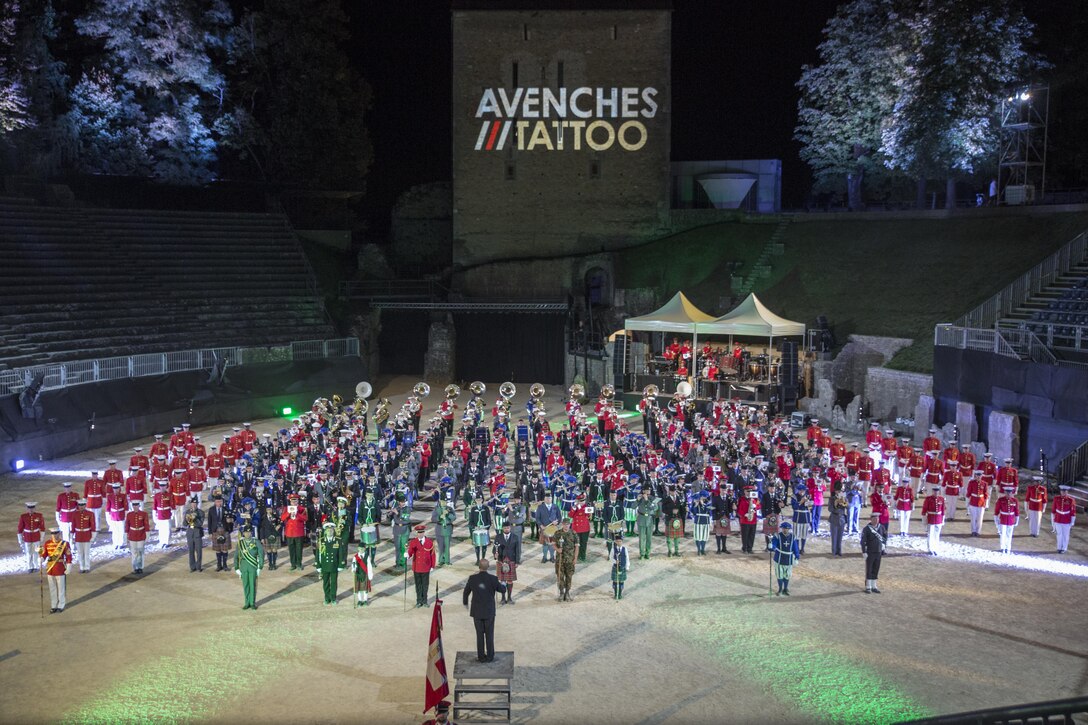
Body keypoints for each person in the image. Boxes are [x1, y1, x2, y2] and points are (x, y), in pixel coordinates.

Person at [463, 559, 506, 662]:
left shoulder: (472, 578)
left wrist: (465, 603)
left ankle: (481, 657)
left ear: (479, 566)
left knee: (479, 635)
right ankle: (490, 656)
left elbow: (466, 592)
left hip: (477, 611)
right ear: (488, 567)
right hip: (489, 611)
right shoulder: (493, 579)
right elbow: (502, 590)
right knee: (489, 635)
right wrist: (504, 582)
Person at [39, 528, 72, 613]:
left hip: (60, 568)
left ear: (59, 533)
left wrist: (69, 566)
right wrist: (41, 558)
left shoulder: (64, 544)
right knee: (52, 588)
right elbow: (45, 554)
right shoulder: (47, 543)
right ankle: (53, 605)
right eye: (53, 533)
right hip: (50, 569)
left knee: (61, 588)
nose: (54, 535)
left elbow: (68, 556)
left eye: (56, 533)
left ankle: (61, 604)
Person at [234, 518, 264, 610]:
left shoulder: (256, 542)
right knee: (246, 585)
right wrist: (237, 568)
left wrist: (260, 567)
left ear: (251, 533)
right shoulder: (240, 543)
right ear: (243, 533)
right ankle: (246, 603)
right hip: (243, 567)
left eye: (249, 532)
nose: (247, 534)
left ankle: (252, 603)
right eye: (246, 532)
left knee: (252, 585)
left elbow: (261, 554)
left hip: (253, 566)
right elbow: (236, 556)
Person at [407, 523, 437, 608]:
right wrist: (407, 555)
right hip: (417, 567)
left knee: (425, 585)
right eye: (419, 532)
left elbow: (432, 555)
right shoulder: (413, 542)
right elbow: (410, 552)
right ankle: (419, 601)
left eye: (422, 532)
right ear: (416, 533)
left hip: (426, 567)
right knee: (418, 585)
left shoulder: (429, 542)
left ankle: (425, 601)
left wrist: (432, 566)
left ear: (424, 532)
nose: (420, 534)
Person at [769, 521, 800, 596]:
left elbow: (795, 547)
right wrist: (771, 547)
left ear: (789, 529)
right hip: (779, 559)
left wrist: (797, 555)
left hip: (789, 559)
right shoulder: (777, 536)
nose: (785, 530)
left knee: (787, 575)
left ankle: (785, 588)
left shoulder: (793, 537)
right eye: (784, 528)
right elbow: (774, 545)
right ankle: (780, 589)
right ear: (782, 528)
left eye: (787, 529)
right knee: (779, 575)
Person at [553, 517, 579, 602]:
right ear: (562, 524)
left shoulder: (574, 533)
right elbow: (553, 544)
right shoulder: (557, 533)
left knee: (569, 576)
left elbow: (577, 547)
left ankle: (567, 593)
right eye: (565, 524)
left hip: (570, 559)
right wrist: (557, 549)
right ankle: (561, 593)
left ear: (570, 524)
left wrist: (575, 558)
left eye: (568, 524)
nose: (566, 526)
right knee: (560, 576)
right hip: (560, 559)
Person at [493, 522, 519, 604]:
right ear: (502, 528)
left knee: (510, 580)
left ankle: (509, 598)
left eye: (508, 528)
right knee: (503, 580)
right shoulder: (498, 537)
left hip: (511, 560)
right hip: (501, 560)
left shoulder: (515, 537)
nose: (506, 529)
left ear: (510, 528)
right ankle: (503, 598)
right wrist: (495, 555)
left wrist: (517, 561)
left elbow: (517, 550)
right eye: (505, 528)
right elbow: (494, 549)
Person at [281, 493, 308, 571]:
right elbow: (282, 518)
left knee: (299, 549)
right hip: (289, 532)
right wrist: (288, 513)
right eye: (292, 501)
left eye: (295, 501)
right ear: (290, 501)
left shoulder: (302, 509)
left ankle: (299, 564)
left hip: (299, 532)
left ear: (298, 501)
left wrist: (297, 514)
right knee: (291, 549)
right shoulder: (286, 509)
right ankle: (293, 564)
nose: (294, 503)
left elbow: (305, 518)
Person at [860, 512, 886, 594]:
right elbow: (863, 541)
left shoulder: (881, 527)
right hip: (870, 552)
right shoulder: (867, 529)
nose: (876, 520)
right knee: (869, 569)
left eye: (878, 518)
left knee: (876, 568)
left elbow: (885, 537)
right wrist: (864, 552)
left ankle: (874, 585)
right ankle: (868, 586)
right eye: (875, 519)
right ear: (871, 519)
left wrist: (884, 546)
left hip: (878, 551)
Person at [317, 521, 341, 605]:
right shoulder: (321, 541)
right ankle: (327, 598)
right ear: (325, 531)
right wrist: (318, 565)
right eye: (328, 530)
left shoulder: (338, 541)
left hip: (334, 565)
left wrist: (341, 564)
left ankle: (333, 598)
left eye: (331, 530)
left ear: (333, 531)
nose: (329, 532)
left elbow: (341, 554)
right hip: (325, 566)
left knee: (334, 583)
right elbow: (318, 554)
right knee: (326, 583)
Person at [17, 502, 45, 574]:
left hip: (36, 536)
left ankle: (36, 566)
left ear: (34, 508)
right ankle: (30, 566)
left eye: (32, 508)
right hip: (27, 537)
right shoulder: (23, 516)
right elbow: (20, 528)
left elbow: (42, 527)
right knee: (28, 552)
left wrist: (42, 537)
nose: (31, 510)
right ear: (27, 509)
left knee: (36, 552)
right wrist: (20, 539)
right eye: (29, 508)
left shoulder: (39, 516)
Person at [995, 485, 1022, 554]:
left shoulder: (1014, 500)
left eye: (1010, 492)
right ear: (1004, 492)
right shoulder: (1000, 500)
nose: (1008, 494)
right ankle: (1002, 547)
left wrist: (1017, 520)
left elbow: (1016, 511)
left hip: (1011, 520)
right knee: (1003, 534)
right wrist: (996, 520)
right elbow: (996, 511)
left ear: (1012, 493)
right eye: (1007, 492)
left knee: (1009, 534)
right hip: (1003, 519)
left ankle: (1008, 548)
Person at [124, 501, 150, 574]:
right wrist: (126, 535)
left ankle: (140, 567)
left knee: (140, 552)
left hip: (141, 534)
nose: (135, 507)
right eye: (134, 506)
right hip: (132, 535)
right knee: (134, 552)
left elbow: (146, 524)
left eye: (136, 505)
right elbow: (127, 525)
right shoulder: (129, 515)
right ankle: (135, 567)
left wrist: (147, 534)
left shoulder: (144, 514)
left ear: (139, 506)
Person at [534, 491, 560, 563]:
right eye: (547, 498)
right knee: (545, 544)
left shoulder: (555, 506)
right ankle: (544, 557)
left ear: (552, 499)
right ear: (544, 499)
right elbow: (537, 518)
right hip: (544, 528)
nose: (548, 500)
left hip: (553, 528)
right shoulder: (540, 507)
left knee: (552, 543)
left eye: (550, 498)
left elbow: (559, 517)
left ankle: (552, 557)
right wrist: (540, 525)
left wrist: (557, 522)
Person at [70, 500, 95, 573]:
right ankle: (82, 567)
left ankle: (87, 567)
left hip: (87, 535)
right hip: (78, 536)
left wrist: (93, 537)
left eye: (83, 505)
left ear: (85, 505)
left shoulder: (90, 514)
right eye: (80, 505)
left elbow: (93, 526)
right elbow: (73, 526)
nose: (81, 507)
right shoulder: (75, 514)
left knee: (86, 553)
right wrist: (71, 537)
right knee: (80, 553)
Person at [920, 484, 945, 555]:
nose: (936, 492)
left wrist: (942, 519)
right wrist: (924, 520)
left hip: (938, 519)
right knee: (930, 534)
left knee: (937, 535)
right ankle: (930, 548)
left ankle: (935, 548)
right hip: (931, 519)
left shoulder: (941, 499)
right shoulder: (928, 499)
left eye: (937, 491)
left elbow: (943, 510)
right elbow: (924, 510)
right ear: (932, 491)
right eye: (934, 491)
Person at [1052, 484, 1077, 554]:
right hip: (1058, 519)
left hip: (1066, 519)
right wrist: (1053, 519)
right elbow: (1053, 510)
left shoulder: (1071, 500)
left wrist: (1072, 522)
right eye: (1062, 491)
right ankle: (1059, 547)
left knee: (1065, 535)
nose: (1063, 492)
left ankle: (1064, 548)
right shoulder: (1056, 498)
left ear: (1067, 492)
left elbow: (1073, 512)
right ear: (1060, 491)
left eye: (1064, 491)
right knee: (1059, 534)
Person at [431, 499, 456, 567]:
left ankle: (447, 560)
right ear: (440, 502)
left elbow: (454, 518)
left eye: (445, 501)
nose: (443, 503)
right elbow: (433, 519)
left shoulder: (450, 509)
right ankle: (441, 560)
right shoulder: (436, 509)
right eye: (442, 501)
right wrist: (439, 517)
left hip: (448, 529)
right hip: (439, 529)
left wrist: (448, 514)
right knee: (440, 546)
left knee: (447, 546)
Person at [183, 497, 205, 572]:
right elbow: (184, 524)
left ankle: (198, 567)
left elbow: (200, 524)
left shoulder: (201, 512)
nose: (194, 505)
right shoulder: (187, 512)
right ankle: (192, 567)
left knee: (198, 551)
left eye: (195, 503)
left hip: (197, 532)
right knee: (191, 551)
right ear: (191, 504)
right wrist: (187, 519)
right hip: (190, 533)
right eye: (193, 503)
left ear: (197, 504)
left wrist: (195, 518)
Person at [351, 542, 374, 608]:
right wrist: (353, 569)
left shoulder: (367, 557)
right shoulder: (355, 557)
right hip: (358, 575)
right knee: (359, 588)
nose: (361, 550)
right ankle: (360, 600)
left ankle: (365, 600)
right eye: (360, 548)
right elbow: (353, 565)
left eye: (362, 549)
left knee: (365, 589)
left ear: (365, 549)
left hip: (365, 574)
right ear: (358, 548)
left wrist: (370, 574)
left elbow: (369, 566)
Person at [609, 532, 629, 600]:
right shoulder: (613, 549)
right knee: (615, 581)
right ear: (615, 542)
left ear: (622, 541)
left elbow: (627, 558)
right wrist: (615, 561)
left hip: (622, 567)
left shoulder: (625, 549)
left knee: (621, 581)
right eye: (617, 541)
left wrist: (627, 566)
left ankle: (620, 594)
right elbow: (610, 557)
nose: (619, 542)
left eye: (620, 541)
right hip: (615, 567)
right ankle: (615, 594)